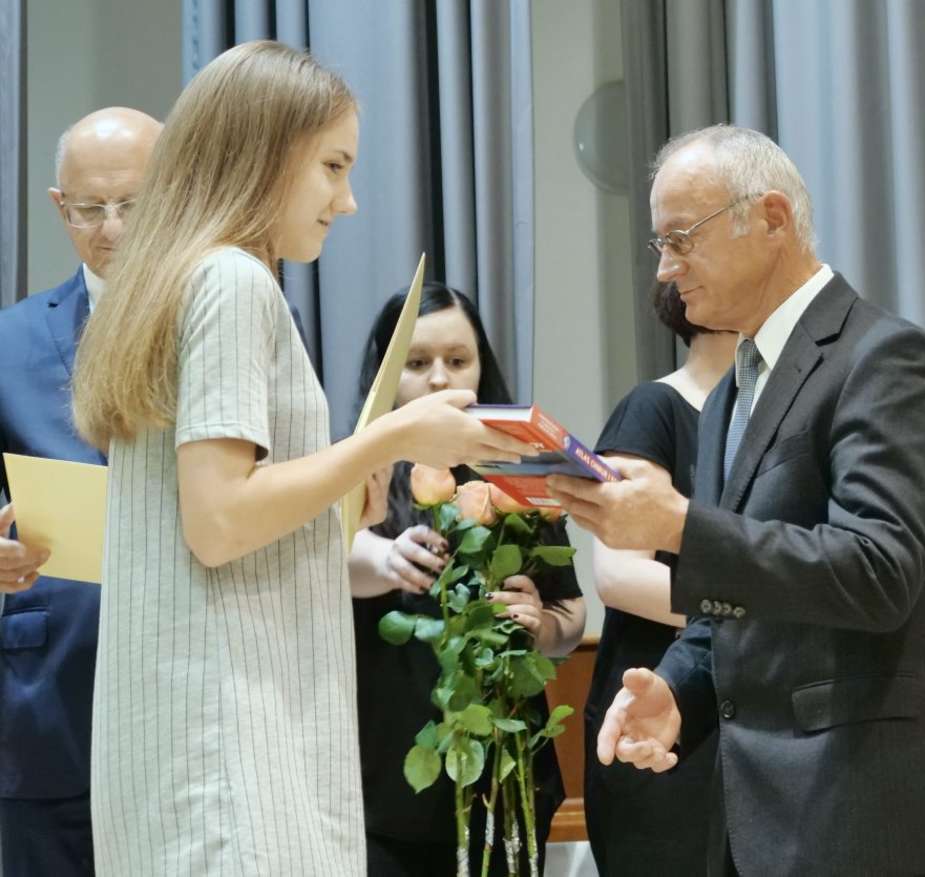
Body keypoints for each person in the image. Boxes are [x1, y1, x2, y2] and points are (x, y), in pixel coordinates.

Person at [69, 41, 532, 874]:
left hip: (184, 737)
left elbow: (222, 514)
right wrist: (389, 437)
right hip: (232, 741)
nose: (347, 201)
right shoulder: (232, 281)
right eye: (332, 166)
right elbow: (219, 520)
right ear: (266, 153)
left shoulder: (175, 279)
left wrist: (346, 488)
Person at [548, 124, 925, 875]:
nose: (665, 268)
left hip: (867, 812)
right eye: (660, 244)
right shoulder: (731, 392)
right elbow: (732, 604)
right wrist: (677, 689)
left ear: (773, 219)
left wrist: (681, 525)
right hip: (754, 816)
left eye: (681, 238)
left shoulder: (883, 356)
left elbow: (879, 571)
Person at [347, 283, 585, 876]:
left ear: (482, 367)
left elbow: (571, 614)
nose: (439, 379)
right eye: (416, 363)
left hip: (504, 778)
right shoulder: (353, 463)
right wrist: (384, 558)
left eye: (457, 361)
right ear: (386, 374)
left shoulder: (519, 469)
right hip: (383, 781)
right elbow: (327, 563)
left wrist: (541, 626)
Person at [0, 106, 161, 876]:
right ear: (59, 205)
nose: (114, 229)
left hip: (190, 688)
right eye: (90, 209)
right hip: (50, 693)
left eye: (133, 203)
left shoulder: (234, 317)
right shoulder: (9, 340)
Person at [582, 282, 735, 875]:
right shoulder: (653, 407)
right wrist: (750, 603)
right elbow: (618, 573)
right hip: (654, 706)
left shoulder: (772, 420)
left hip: (743, 711)